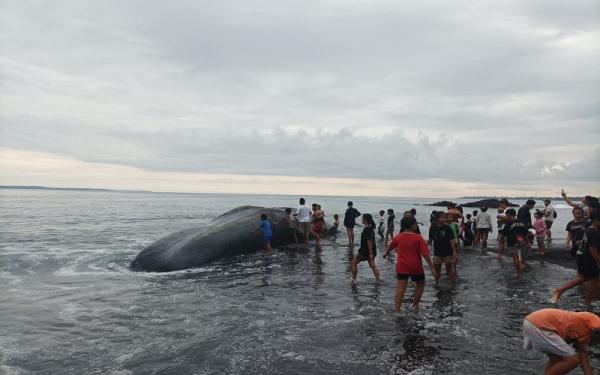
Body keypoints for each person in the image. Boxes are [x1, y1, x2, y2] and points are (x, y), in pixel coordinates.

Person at [523, 308, 600, 375]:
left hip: (534, 322)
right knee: (573, 360)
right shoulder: (591, 317)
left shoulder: (584, 338)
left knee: (557, 360)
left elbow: (585, 362)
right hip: (541, 323)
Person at [383, 216, 436, 312]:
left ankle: (397, 310)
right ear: (413, 225)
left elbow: (391, 245)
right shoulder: (418, 238)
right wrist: (431, 267)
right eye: (415, 224)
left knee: (401, 287)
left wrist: (386, 253)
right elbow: (426, 255)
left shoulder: (399, 236)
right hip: (415, 266)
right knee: (420, 284)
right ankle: (415, 305)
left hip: (402, 266)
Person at [552, 210, 600, 306]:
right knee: (592, 279)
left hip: (582, 256)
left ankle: (586, 301)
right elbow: (593, 249)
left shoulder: (589, 229)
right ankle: (586, 302)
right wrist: (599, 262)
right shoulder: (594, 232)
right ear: (595, 220)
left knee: (586, 278)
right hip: (589, 258)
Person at [428, 212, 458, 288]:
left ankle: (453, 285)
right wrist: (425, 246)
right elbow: (430, 239)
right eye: (442, 217)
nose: (445, 219)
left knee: (449, 269)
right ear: (437, 218)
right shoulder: (432, 227)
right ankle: (436, 283)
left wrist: (454, 251)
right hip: (437, 252)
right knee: (437, 268)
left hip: (448, 252)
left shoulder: (447, 228)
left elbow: (452, 240)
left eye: (445, 217)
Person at [351, 214, 380, 284]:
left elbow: (369, 241)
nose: (362, 219)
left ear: (365, 220)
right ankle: (378, 280)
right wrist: (372, 252)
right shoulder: (370, 227)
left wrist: (370, 253)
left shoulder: (367, 229)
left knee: (353, 263)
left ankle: (354, 280)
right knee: (372, 265)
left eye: (362, 218)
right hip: (371, 250)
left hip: (365, 251)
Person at [500, 208, 529, 277]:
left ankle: (518, 273)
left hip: (512, 241)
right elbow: (526, 233)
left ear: (509, 215)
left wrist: (501, 238)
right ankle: (521, 268)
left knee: (515, 257)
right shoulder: (522, 222)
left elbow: (504, 233)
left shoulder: (509, 223)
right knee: (520, 257)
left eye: (507, 215)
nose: (506, 217)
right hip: (522, 241)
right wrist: (528, 242)